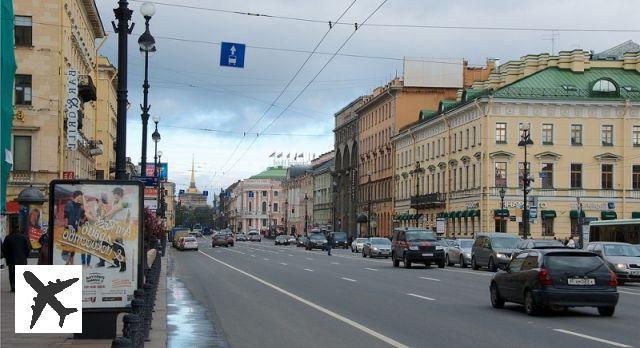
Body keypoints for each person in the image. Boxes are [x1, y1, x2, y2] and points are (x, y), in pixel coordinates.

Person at [63, 190, 85, 265]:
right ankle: (68, 263)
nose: (81, 198)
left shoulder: (81, 208)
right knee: (69, 248)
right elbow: (66, 216)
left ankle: (70, 263)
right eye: (81, 197)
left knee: (73, 249)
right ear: (78, 196)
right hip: (69, 229)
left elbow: (82, 220)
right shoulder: (69, 204)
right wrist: (67, 226)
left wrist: (81, 226)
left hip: (75, 230)